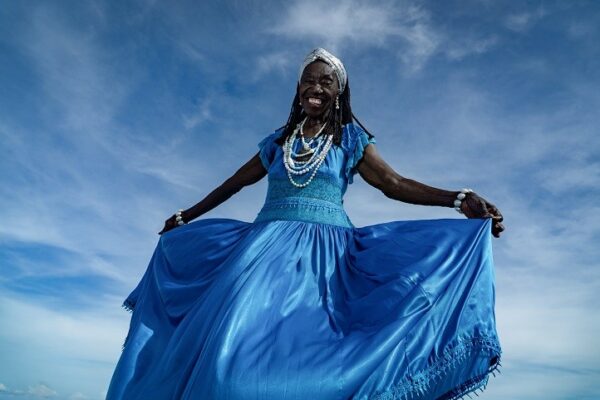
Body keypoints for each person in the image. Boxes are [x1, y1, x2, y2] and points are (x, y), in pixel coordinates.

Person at [107, 48, 504, 400]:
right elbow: (233, 184)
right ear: (298, 89)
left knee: (315, 363)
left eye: (326, 81)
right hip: (259, 258)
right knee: (224, 361)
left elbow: (393, 183)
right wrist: (185, 217)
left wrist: (457, 198)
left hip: (326, 263)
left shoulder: (350, 139)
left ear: (338, 92)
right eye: (309, 80)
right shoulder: (277, 143)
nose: (316, 87)